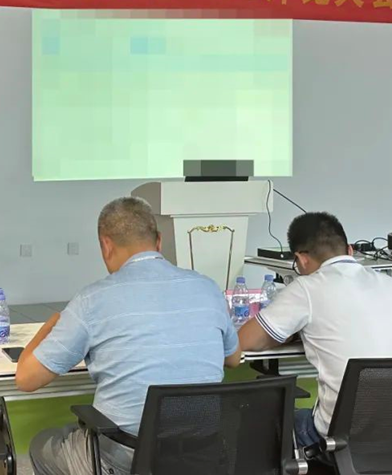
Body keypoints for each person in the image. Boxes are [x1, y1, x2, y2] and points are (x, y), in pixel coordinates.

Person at [16, 196, 241, 475]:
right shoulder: (208, 288)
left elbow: (26, 379)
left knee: (43, 443)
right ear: (158, 241)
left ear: (106, 245)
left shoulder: (92, 300)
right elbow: (233, 358)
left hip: (126, 457)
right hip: (202, 454)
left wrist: (49, 326)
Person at [238, 212, 392, 450]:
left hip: (343, 436)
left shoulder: (307, 288)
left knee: (261, 420)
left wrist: (291, 332)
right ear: (349, 250)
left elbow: (244, 341)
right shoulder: (389, 284)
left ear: (301, 259)